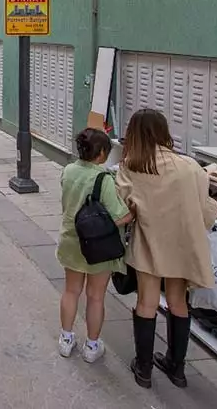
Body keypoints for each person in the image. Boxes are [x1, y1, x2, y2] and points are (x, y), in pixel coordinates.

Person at [118, 109, 217, 389]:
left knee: (146, 303)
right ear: (163, 132)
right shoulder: (190, 167)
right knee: (178, 302)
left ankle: (144, 368)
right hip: (183, 245)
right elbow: (206, 212)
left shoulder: (131, 167)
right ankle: (177, 368)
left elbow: (123, 205)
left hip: (149, 245)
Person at [56, 128, 132, 363]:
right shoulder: (104, 179)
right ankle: (92, 346)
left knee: (71, 291)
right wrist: (133, 213)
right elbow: (117, 216)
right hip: (98, 248)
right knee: (95, 297)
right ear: (101, 154)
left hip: (71, 240)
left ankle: (66, 339)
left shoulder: (68, 170)